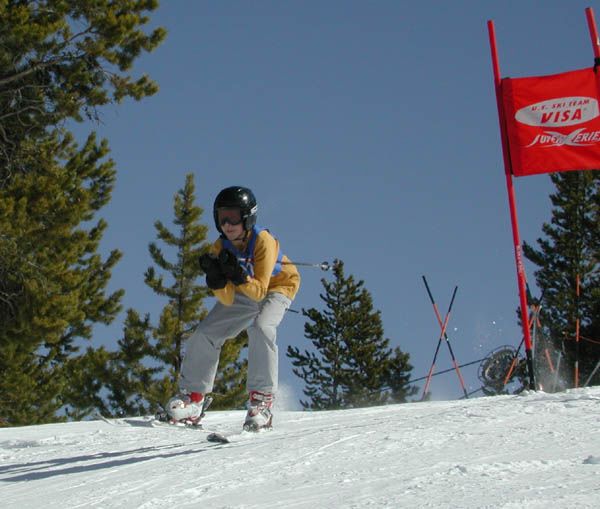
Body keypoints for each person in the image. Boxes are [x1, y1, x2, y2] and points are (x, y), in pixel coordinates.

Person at [166, 186, 300, 431]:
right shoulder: (220, 247)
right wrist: (217, 282)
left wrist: (238, 278)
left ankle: (262, 401)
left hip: (278, 287)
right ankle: (193, 397)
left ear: (248, 217)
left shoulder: (263, 241)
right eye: (222, 217)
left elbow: (260, 291)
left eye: (234, 217)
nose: (227, 224)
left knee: (261, 327)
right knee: (206, 332)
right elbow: (228, 301)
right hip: (247, 289)